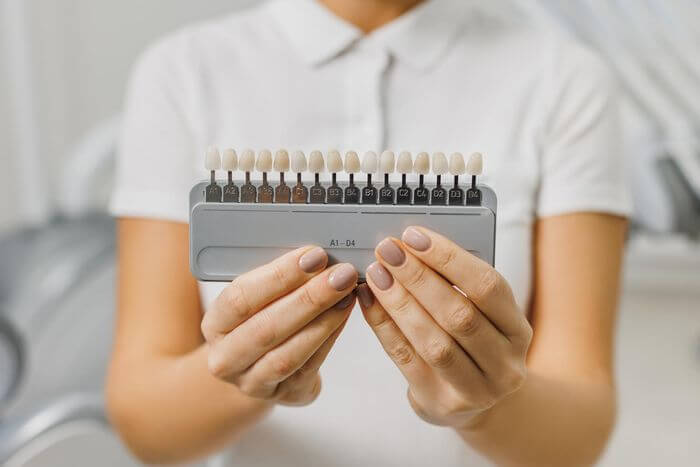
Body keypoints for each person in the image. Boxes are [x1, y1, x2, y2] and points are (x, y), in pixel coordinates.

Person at [106, 0, 630, 465]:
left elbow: (578, 438)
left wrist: (484, 407)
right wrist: (247, 377)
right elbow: (147, 426)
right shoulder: (183, 71)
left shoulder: (562, 76)